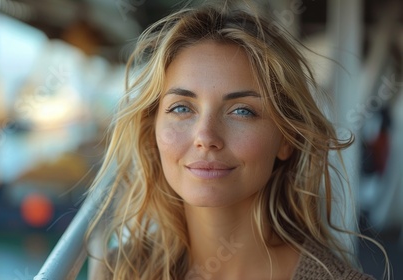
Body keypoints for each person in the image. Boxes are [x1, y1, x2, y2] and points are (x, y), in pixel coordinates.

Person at [85, 2, 389, 280]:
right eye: (181, 108)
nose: (206, 137)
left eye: (242, 111)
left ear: (286, 138)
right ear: (152, 128)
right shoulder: (120, 270)